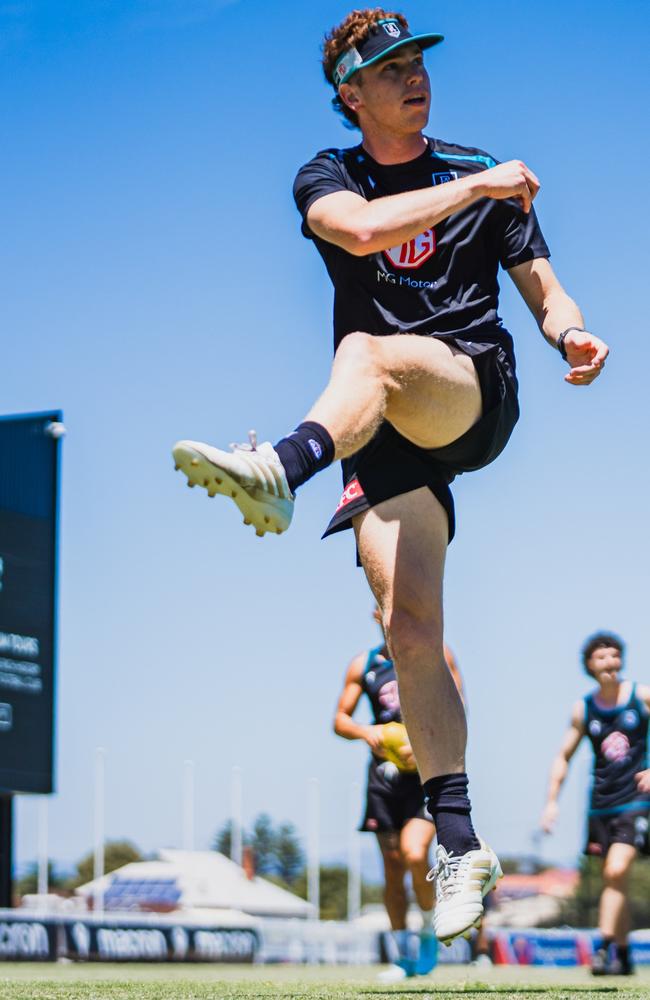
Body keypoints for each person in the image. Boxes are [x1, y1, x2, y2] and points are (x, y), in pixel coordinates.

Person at [172, 8, 608, 943]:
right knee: (408, 629)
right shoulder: (329, 178)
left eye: (417, 60)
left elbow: (544, 285)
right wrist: (477, 188)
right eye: (389, 67)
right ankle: (460, 840)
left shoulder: (477, 169)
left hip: (465, 390)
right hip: (380, 437)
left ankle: (282, 467)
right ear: (350, 95)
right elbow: (362, 234)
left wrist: (571, 331)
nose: (413, 76)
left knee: (368, 351)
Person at [334, 606, 464, 978]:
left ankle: (427, 931)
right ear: (377, 616)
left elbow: (458, 707)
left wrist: (425, 740)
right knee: (392, 870)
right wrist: (366, 732)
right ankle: (400, 955)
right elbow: (339, 720)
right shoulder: (363, 665)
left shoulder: (438, 653)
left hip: (425, 772)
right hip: (384, 778)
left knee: (414, 851)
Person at [541, 633, 650, 976]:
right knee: (611, 879)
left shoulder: (641, 696)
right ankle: (624, 952)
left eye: (615, 656)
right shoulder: (583, 709)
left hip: (637, 801)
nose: (610, 663)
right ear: (589, 665)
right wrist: (551, 803)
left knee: (616, 871)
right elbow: (563, 756)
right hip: (600, 805)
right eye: (602, 657)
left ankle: (602, 949)